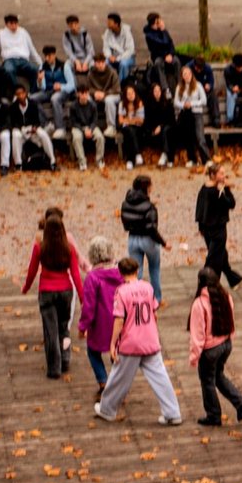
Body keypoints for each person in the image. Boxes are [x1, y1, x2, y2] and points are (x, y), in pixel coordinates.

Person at [92, 257, 182, 425]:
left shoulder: (121, 291)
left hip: (131, 342)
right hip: (150, 340)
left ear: (120, 273)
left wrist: (112, 343)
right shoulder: (147, 287)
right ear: (137, 270)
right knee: (160, 376)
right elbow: (154, 312)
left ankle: (107, 409)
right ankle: (172, 412)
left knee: (118, 377)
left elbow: (119, 320)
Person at [22, 214, 84, 379]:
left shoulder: (39, 248)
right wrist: (83, 297)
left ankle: (54, 367)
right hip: (66, 292)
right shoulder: (68, 248)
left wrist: (26, 287)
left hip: (47, 292)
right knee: (64, 329)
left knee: (51, 331)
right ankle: (65, 359)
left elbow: (32, 270)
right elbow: (76, 275)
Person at [188, 268, 242, 427]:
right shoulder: (226, 296)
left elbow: (198, 335)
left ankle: (213, 415)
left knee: (207, 381)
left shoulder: (199, 304)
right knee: (218, 376)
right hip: (226, 344)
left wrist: (194, 357)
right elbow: (231, 319)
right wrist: (230, 337)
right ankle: (240, 401)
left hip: (210, 350)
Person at [77, 236, 123, 400]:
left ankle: (103, 382)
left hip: (100, 324)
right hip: (120, 321)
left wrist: (82, 327)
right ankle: (119, 384)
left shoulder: (92, 277)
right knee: (116, 353)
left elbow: (88, 306)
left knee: (93, 352)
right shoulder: (121, 272)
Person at [195, 164, 242, 289]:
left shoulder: (204, 189)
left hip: (207, 228)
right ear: (213, 175)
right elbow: (231, 203)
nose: (224, 176)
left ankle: (234, 279)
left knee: (221, 254)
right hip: (217, 229)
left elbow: (200, 209)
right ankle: (208, 284)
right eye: (221, 174)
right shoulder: (216, 191)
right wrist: (226, 190)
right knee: (214, 258)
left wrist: (201, 227)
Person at [121, 175, 170, 306]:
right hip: (148, 240)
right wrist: (164, 243)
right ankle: (157, 299)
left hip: (132, 238)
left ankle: (135, 299)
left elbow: (125, 223)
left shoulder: (125, 204)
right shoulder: (150, 207)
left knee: (136, 271)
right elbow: (152, 229)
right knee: (154, 268)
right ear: (147, 188)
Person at [8, 84, 55, 171]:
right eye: (18, 94)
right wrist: (22, 129)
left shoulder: (33, 104)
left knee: (43, 134)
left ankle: (52, 161)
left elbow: (37, 120)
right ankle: (18, 164)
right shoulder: (13, 107)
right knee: (15, 134)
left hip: (32, 130)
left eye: (22, 93)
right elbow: (13, 123)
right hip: (21, 131)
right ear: (16, 95)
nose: (20, 96)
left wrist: (35, 127)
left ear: (25, 93)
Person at [174, 65, 211, 167]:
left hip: (196, 113)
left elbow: (204, 100)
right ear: (182, 76)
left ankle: (206, 159)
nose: (187, 76)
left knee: (200, 137)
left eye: (188, 74)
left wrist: (192, 104)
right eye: (184, 74)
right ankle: (192, 159)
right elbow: (176, 102)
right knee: (188, 137)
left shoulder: (198, 85)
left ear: (191, 74)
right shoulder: (179, 87)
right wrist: (183, 105)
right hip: (185, 114)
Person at [33, 46, 73, 139]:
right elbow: (42, 87)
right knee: (32, 98)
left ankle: (60, 128)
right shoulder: (42, 67)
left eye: (49, 56)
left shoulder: (64, 65)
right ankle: (47, 124)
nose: (47, 58)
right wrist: (39, 80)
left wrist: (61, 86)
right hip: (49, 91)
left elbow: (72, 85)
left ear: (54, 55)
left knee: (55, 98)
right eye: (45, 56)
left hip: (63, 91)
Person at [0, 14, 41, 91]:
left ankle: (34, 92)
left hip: (23, 60)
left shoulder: (23, 32)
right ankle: (17, 92)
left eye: (15, 23)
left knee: (34, 69)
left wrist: (40, 63)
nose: (14, 26)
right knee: (8, 71)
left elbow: (31, 48)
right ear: (6, 24)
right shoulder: (1, 33)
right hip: (9, 60)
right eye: (11, 24)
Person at [143, 12, 181, 94]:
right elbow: (157, 47)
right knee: (158, 64)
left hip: (169, 55)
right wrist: (165, 56)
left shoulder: (163, 30)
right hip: (159, 56)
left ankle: (180, 84)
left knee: (176, 61)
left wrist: (171, 54)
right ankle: (165, 88)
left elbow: (170, 43)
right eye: (159, 20)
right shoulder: (149, 35)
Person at [69, 86, 105, 171]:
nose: (84, 96)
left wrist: (90, 129)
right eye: (82, 93)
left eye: (86, 93)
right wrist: (83, 129)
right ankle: (82, 161)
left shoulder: (92, 105)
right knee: (77, 138)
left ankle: (99, 160)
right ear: (78, 94)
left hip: (90, 126)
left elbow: (95, 120)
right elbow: (73, 122)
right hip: (78, 127)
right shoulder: (73, 106)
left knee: (100, 137)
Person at [87, 54, 121, 138]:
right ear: (94, 63)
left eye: (102, 62)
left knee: (109, 100)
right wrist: (94, 93)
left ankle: (111, 127)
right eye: (98, 63)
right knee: (86, 98)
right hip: (97, 96)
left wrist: (104, 94)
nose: (100, 65)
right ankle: (89, 124)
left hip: (112, 95)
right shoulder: (91, 73)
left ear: (105, 62)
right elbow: (89, 88)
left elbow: (117, 89)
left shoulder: (112, 72)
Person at [143, 83, 176, 168]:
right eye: (155, 91)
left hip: (168, 127)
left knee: (167, 131)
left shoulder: (167, 103)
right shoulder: (148, 105)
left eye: (159, 90)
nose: (157, 93)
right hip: (155, 130)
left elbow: (171, 120)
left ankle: (165, 154)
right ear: (152, 92)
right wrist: (153, 130)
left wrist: (160, 126)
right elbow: (147, 121)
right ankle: (170, 159)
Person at [62, 15, 95, 87]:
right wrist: (76, 61)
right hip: (74, 59)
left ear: (78, 24)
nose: (73, 27)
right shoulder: (66, 35)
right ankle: (72, 86)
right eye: (71, 25)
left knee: (93, 67)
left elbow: (91, 51)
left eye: (75, 24)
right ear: (68, 25)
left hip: (86, 58)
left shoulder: (85, 34)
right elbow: (68, 52)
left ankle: (92, 86)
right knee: (66, 67)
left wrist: (86, 63)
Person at [117, 84, 145, 169]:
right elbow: (121, 120)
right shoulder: (122, 104)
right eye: (128, 94)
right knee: (130, 131)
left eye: (132, 93)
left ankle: (129, 160)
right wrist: (133, 120)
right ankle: (137, 154)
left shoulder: (139, 103)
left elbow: (141, 120)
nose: (131, 95)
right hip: (126, 127)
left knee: (131, 134)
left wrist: (129, 120)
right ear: (125, 95)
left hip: (137, 127)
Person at [102, 13, 136, 82]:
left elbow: (130, 50)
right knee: (104, 63)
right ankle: (109, 81)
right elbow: (106, 47)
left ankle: (121, 83)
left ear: (116, 24)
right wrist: (109, 56)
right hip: (113, 57)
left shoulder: (127, 32)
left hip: (127, 57)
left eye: (110, 22)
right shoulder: (107, 32)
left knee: (123, 64)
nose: (107, 24)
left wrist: (118, 58)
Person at [189, 56, 220, 129]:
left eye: (201, 69)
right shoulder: (189, 68)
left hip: (204, 91)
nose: (199, 71)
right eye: (197, 69)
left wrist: (209, 85)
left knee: (213, 96)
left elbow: (211, 81)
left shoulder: (207, 68)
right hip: (193, 91)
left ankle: (216, 119)